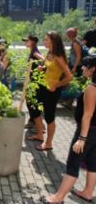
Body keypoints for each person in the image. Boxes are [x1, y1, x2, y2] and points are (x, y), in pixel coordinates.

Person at [45, 56, 96, 204]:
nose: (82, 68)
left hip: (87, 131)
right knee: (92, 162)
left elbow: (87, 115)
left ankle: (58, 197)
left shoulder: (92, 88)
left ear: (93, 69)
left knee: (73, 161)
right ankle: (87, 192)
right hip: (94, 132)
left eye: (85, 65)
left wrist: (82, 138)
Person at [27, 31, 73, 151]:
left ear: (53, 41)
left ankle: (48, 143)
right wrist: (42, 68)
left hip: (52, 90)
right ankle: (39, 134)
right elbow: (47, 66)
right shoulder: (50, 53)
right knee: (34, 108)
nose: (44, 41)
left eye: (46, 39)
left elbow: (69, 77)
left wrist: (56, 85)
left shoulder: (59, 56)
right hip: (42, 86)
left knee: (49, 116)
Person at [22, 35, 44, 129]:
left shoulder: (35, 51)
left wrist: (38, 69)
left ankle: (38, 124)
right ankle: (32, 121)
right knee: (30, 101)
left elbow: (43, 60)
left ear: (32, 42)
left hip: (35, 81)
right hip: (32, 80)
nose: (25, 42)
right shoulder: (33, 51)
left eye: (27, 41)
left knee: (31, 101)